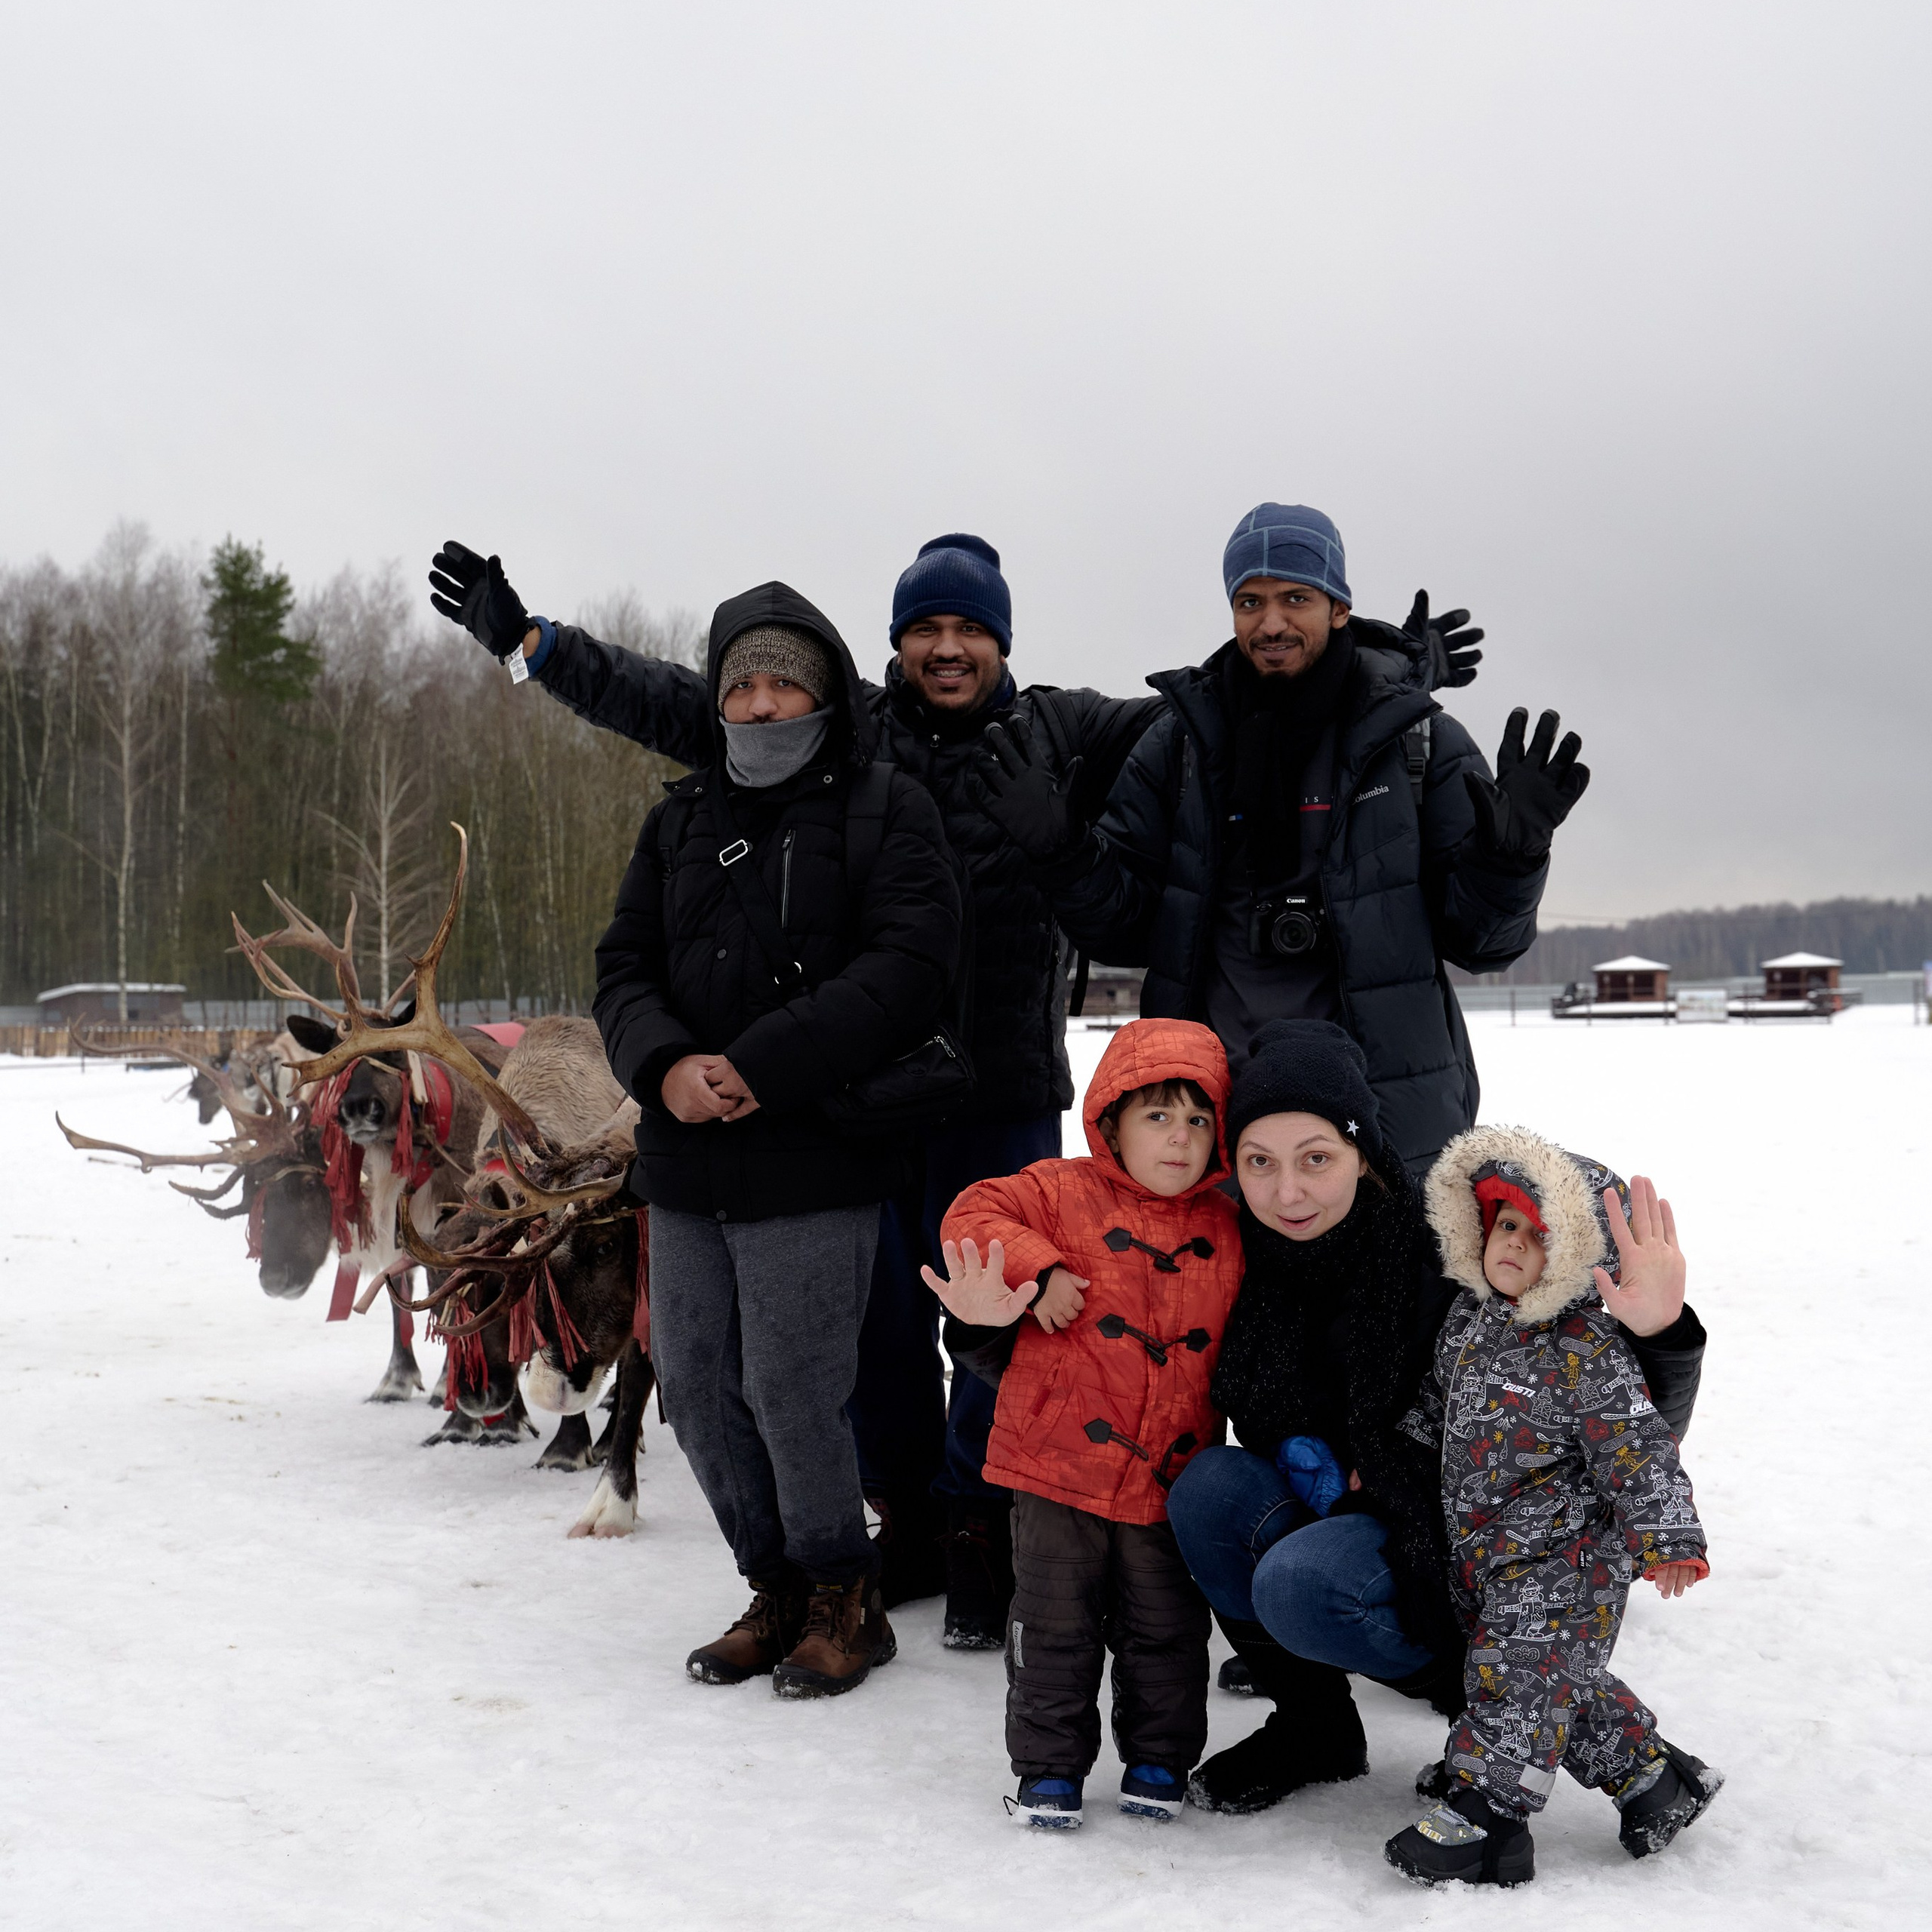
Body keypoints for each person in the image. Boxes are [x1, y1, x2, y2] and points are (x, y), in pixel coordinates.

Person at [427, 531, 1480, 1639]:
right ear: (894, 645)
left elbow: (1223, 711)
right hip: (866, 1099)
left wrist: (1368, 674)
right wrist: (535, 645)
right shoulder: (844, 731)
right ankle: (913, 1519)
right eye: (925, 628)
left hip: (1005, 1088)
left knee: (1013, 1317)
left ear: (1002, 641)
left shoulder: (1066, 731)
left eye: (970, 628)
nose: (947, 648)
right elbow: (673, 701)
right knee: (879, 1329)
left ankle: (984, 1522)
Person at [1164, 1020, 1709, 1817]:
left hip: (1462, 1538)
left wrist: (1660, 1335)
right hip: (1341, 1497)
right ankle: (1315, 1726)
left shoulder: (1447, 1252)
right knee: (1210, 1487)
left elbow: (1614, 1413)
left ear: (1362, 1154)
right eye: (1259, 1162)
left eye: (1316, 1158)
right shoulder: (1234, 1252)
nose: (1288, 1192)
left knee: (1300, 1586)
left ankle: (1496, 1702)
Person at [591, 583, 961, 1698]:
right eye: (740, 682)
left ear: (826, 693)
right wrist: (664, 1066)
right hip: (687, 1154)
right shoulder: (679, 820)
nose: (761, 703)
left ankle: (846, 1595)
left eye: (783, 680)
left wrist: (760, 1067)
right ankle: (776, 1585)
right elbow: (624, 967)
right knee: (698, 1386)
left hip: (816, 1152)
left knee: (795, 1388)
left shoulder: (886, 809)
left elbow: (908, 968)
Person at [995, 502, 1580, 1173]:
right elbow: (1125, 932)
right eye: (1250, 602)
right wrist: (1063, 854)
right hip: (1210, 1130)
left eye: (1295, 598)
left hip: (1385, 1132)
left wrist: (1514, 856)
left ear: (1338, 607)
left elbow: (1485, 945)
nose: (1270, 623)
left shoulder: (1416, 744)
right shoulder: (1180, 745)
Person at [921, 1020, 1241, 1829]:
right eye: (1158, 1117)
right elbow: (971, 1211)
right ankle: (1047, 1769)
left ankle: (1160, 1760)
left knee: (1166, 1631)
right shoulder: (1056, 1190)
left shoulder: (1231, 1229)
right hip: (1054, 1469)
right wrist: (1041, 1268)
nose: (1179, 1139)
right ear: (1111, 1123)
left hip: (1169, 1479)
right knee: (1053, 1626)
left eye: (1198, 1121)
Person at [1383, 1124, 1722, 1886]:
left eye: (1539, 1236)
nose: (1512, 1245)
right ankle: (1652, 1780)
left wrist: (1667, 1535)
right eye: (1506, 1224)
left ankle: (1487, 1820)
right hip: (1490, 1549)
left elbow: (1638, 1445)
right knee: (1548, 1676)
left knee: (1519, 1673)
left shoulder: (1586, 1349)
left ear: (1577, 1256)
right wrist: (1393, 1458)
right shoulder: (1469, 1319)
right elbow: (1437, 1406)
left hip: (1568, 1557)